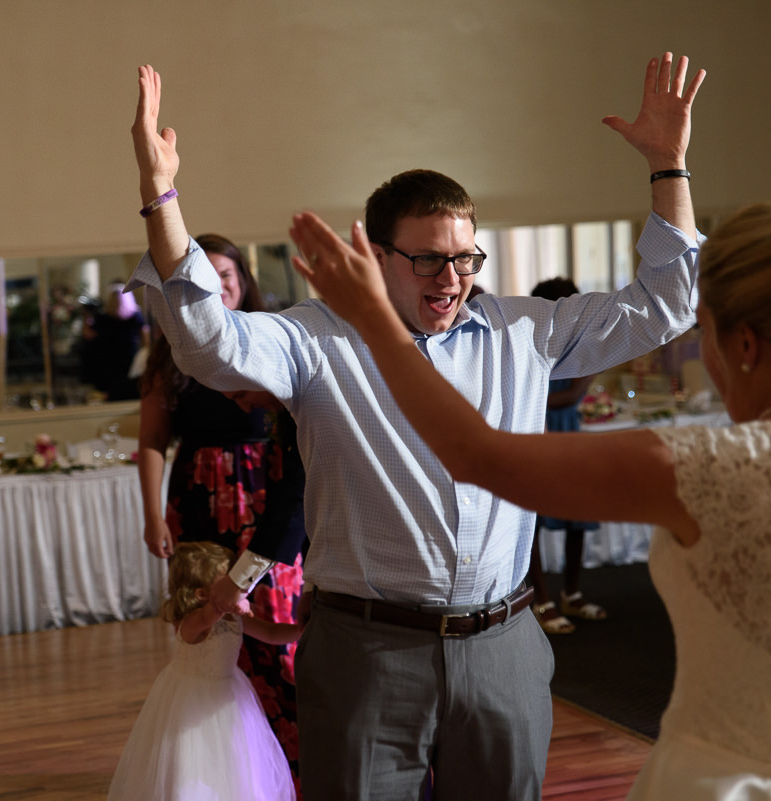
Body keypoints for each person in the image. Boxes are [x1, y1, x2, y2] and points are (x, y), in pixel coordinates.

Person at [127, 53, 705, 798]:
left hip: (504, 644)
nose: (453, 279)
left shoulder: (525, 332)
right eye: (430, 260)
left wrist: (668, 167)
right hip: (367, 647)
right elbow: (209, 341)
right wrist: (159, 195)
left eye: (467, 258)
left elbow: (666, 305)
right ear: (377, 253)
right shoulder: (317, 338)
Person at [291, 194, 771, 798]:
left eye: (704, 333)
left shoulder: (698, 465)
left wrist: (377, 321)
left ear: (743, 345)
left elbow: (473, 454)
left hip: (732, 778)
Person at [136, 233, 308, 786]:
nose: (219, 286)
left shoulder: (268, 337)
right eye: (206, 277)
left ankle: (294, 768)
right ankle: (230, 775)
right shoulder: (170, 350)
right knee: (213, 634)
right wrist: (152, 513)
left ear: (243, 281)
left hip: (268, 501)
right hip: (200, 505)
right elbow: (151, 440)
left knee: (275, 632)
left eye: (226, 276)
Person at [106, 541, 300, 801]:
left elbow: (269, 632)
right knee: (193, 762)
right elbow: (211, 616)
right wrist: (234, 605)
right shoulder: (192, 623)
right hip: (191, 701)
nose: (237, 588)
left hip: (229, 696)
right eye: (227, 583)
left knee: (234, 761)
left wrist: (300, 631)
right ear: (202, 594)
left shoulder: (234, 616)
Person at [526, 277, 606, 635]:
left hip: (566, 435)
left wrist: (526, 399)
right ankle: (540, 600)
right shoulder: (531, 344)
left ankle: (571, 593)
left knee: (578, 516)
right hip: (535, 438)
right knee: (532, 522)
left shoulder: (584, 348)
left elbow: (573, 396)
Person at [81, 282, 146, 401]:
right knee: (127, 384)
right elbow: (145, 337)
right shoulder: (136, 316)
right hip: (129, 354)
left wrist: (86, 316)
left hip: (108, 357)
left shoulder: (103, 317)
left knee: (111, 386)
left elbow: (88, 335)